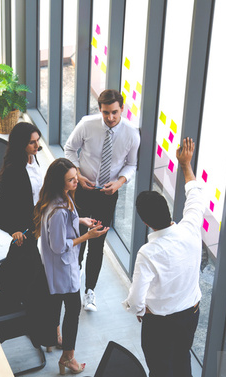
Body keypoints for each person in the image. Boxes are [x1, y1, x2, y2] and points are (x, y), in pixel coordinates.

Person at [123, 137, 205, 377]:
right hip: (190, 314)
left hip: (159, 322)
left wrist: (139, 311)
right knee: (182, 359)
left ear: (146, 223)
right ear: (169, 212)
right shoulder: (191, 229)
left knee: (159, 368)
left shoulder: (148, 253)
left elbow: (135, 299)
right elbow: (196, 195)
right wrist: (186, 165)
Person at [64, 89, 140, 312]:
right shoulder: (87, 124)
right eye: (106, 113)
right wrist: (77, 173)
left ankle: (90, 291)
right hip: (81, 190)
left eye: (115, 112)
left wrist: (119, 183)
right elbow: (70, 148)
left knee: (97, 244)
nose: (110, 118)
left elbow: (132, 164)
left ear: (122, 109)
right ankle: (72, 277)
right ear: (100, 109)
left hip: (107, 195)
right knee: (78, 236)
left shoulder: (131, 134)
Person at [33, 158, 108, 374]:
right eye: (71, 180)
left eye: (76, 177)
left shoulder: (60, 199)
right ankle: (68, 357)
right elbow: (58, 246)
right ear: (60, 183)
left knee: (57, 302)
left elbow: (65, 226)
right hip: (63, 268)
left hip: (59, 269)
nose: (77, 182)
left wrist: (80, 220)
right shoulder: (58, 211)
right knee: (73, 309)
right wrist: (87, 236)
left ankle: (53, 339)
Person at [0, 122, 59, 349]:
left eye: (37, 140)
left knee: (40, 282)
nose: (37, 145)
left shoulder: (33, 160)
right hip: (27, 230)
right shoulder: (14, 170)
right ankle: (46, 335)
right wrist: (13, 230)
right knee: (40, 286)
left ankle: (48, 333)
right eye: (32, 142)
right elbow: (2, 209)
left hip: (40, 223)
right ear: (22, 144)